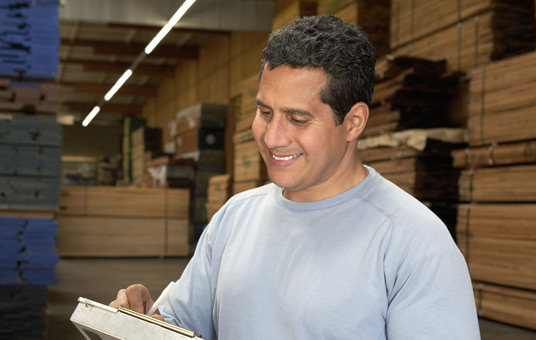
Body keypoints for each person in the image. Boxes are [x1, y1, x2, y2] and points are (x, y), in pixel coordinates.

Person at [110, 15, 481, 339]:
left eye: (298, 119)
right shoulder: (235, 217)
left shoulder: (412, 242)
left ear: (353, 122)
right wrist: (142, 320)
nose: (272, 137)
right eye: (265, 112)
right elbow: (181, 326)